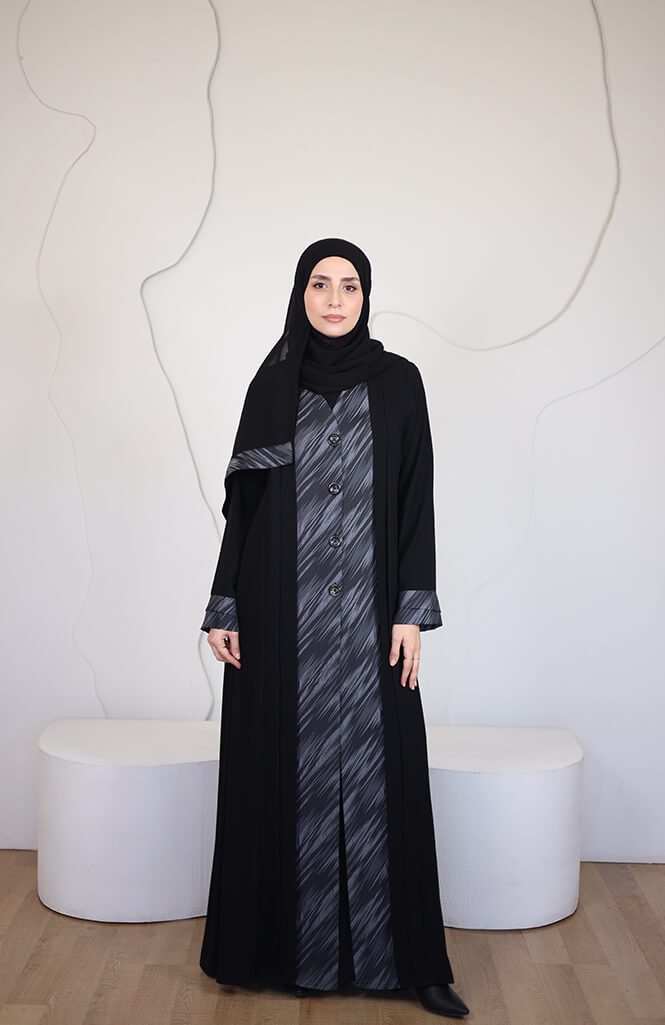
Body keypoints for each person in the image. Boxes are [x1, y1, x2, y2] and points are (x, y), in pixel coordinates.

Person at [198, 237, 470, 1019]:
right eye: (319, 284)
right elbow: (244, 508)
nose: (333, 300)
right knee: (278, 769)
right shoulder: (271, 382)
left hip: (370, 615)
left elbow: (415, 497)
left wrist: (411, 610)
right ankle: (279, 954)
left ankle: (413, 963)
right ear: (300, 293)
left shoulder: (398, 382)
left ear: (365, 296)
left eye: (348, 286)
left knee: (388, 773)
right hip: (276, 611)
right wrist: (224, 603)